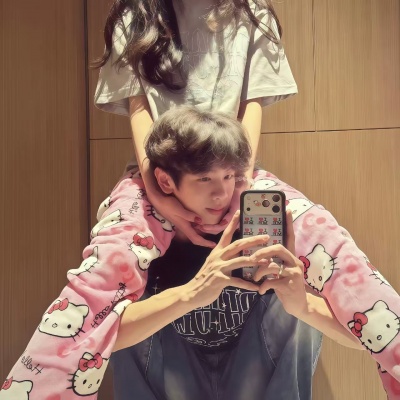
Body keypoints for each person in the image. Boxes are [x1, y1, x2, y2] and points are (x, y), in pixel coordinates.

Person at [1, 0, 399, 398]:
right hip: (160, 174)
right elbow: (139, 112)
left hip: (238, 171)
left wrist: (237, 183)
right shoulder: (134, 16)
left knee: (326, 240)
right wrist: (159, 192)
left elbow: (252, 108)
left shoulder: (253, 13)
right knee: (103, 272)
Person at [110, 106, 362, 400]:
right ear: (166, 181)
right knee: (126, 304)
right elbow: (98, 339)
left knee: (293, 299)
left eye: (229, 176)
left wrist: (303, 305)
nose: (221, 194)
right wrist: (192, 293)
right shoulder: (141, 232)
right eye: (204, 179)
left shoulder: (256, 222)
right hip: (175, 370)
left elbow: (362, 338)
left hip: (251, 367)